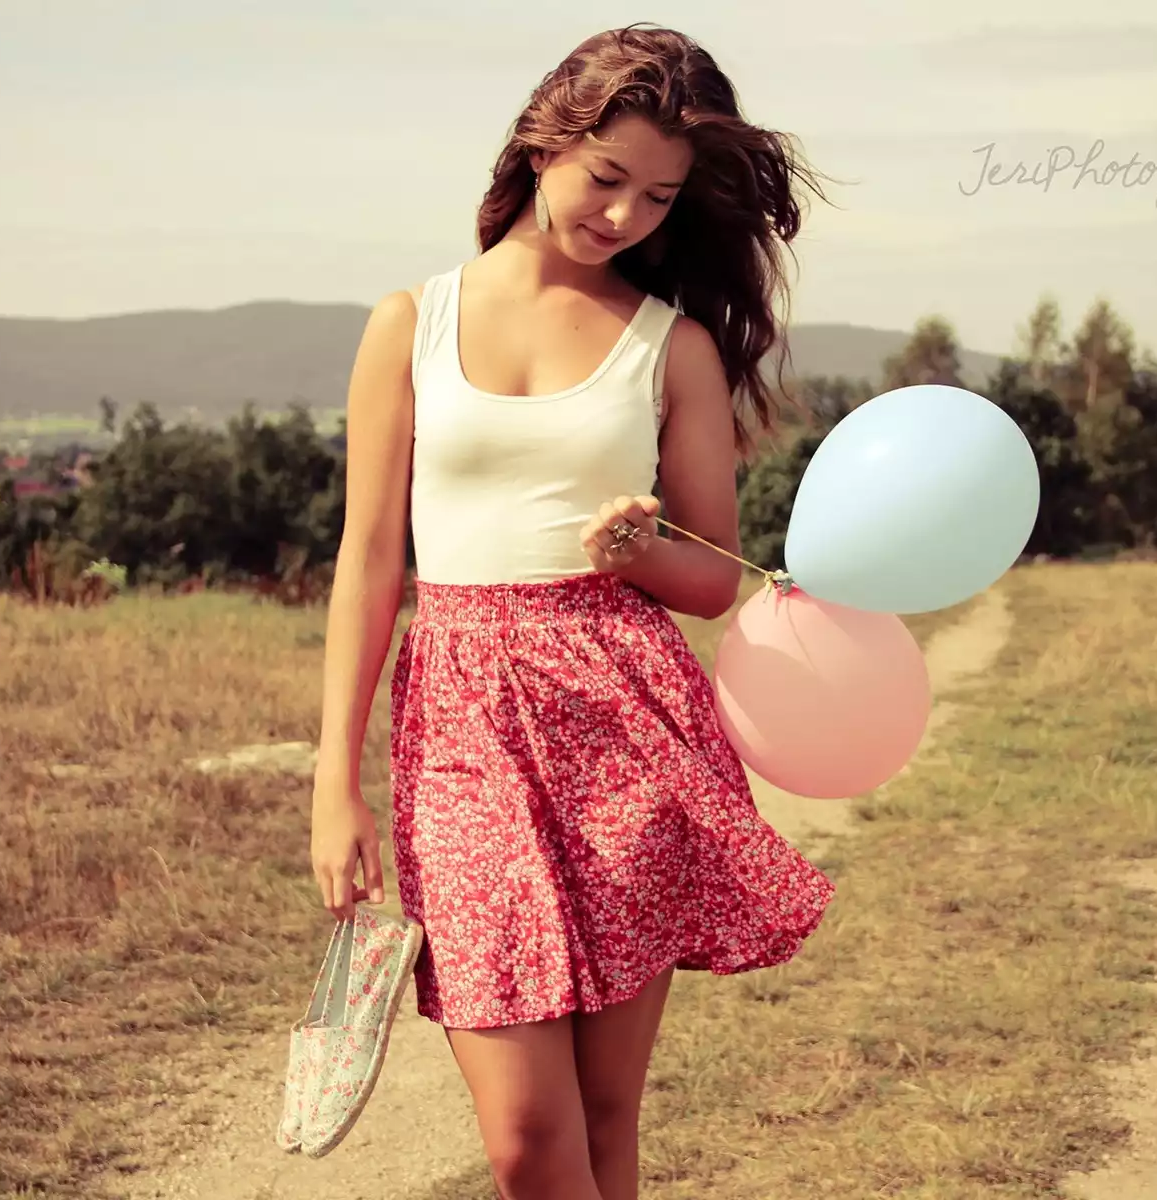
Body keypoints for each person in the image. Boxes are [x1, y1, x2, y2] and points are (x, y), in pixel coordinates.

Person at [309, 23, 835, 1200]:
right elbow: (370, 562)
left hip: (625, 726)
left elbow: (712, 580)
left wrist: (643, 551)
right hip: (458, 729)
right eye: (607, 179)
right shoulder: (410, 323)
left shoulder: (673, 347)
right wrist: (333, 780)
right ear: (546, 136)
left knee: (603, 1119)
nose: (623, 217)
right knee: (526, 1143)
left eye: (657, 198)